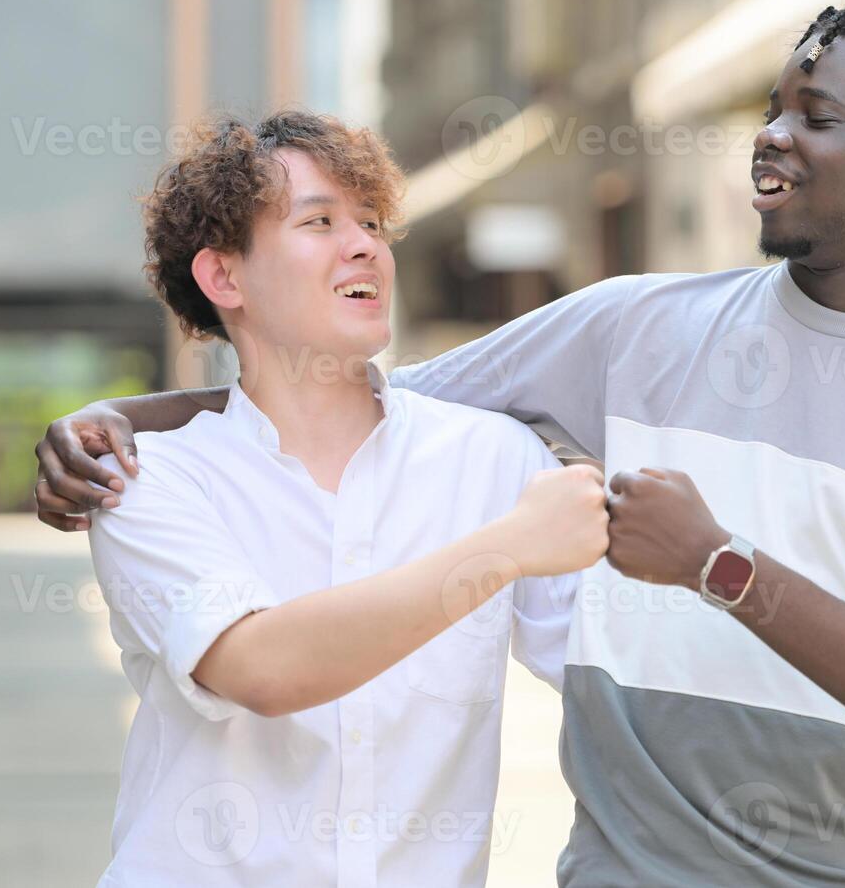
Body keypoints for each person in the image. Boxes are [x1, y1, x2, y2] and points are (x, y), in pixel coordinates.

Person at [40, 0, 845, 885]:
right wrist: (109, 424)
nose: (772, 137)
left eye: (816, 117)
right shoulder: (626, 331)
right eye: (772, 111)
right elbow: (347, 401)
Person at [78, 110, 609, 887]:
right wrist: (505, 549)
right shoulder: (148, 481)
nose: (363, 244)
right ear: (223, 277)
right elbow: (261, 668)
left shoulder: (493, 460)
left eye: (369, 221)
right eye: (318, 221)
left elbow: (620, 679)